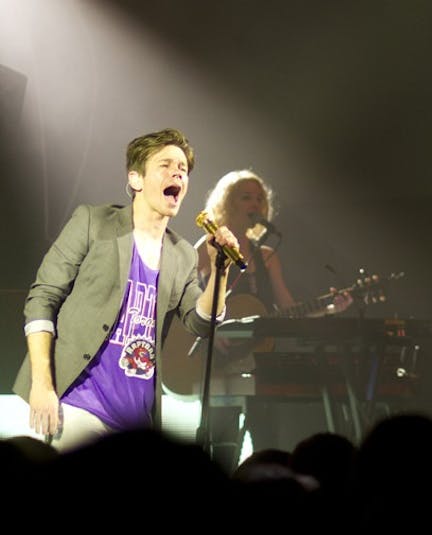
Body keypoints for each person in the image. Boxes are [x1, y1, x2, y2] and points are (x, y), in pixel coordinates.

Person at [13, 128, 241, 452]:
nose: (178, 173)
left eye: (183, 169)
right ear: (136, 179)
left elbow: (201, 323)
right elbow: (42, 298)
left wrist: (220, 271)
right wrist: (42, 383)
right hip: (78, 404)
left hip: (137, 418)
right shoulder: (94, 222)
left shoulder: (182, 254)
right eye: (165, 165)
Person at [186, 169, 352, 469]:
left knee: (267, 440)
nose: (255, 204)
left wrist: (329, 308)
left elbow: (288, 308)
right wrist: (210, 332)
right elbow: (187, 300)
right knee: (221, 446)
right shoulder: (207, 246)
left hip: (261, 362)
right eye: (246, 197)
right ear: (228, 202)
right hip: (219, 361)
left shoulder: (267, 256)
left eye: (259, 198)